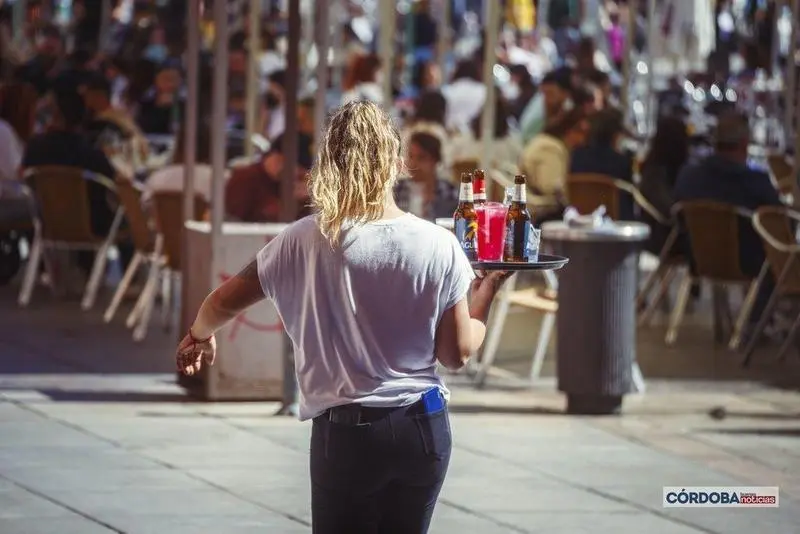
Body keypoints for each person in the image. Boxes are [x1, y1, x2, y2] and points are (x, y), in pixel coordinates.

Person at [177, 101, 509, 533]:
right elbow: (456, 353)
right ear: (395, 163)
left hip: (348, 433)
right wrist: (485, 297)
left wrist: (199, 335)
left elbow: (221, 303)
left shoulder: (302, 240)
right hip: (422, 427)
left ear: (329, 163)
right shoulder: (437, 243)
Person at [673, 111, 782, 331]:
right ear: (744, 143)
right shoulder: (756, 182)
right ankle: (756, 324)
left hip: (698, 257)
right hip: (747, 261)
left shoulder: (689, 177)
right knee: (779, 258)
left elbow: (677, 214)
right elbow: (780, 224)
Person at [225, 133, 314, 222]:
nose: (299, 174)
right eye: (299, 168)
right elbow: (231, 221)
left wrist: (306, 201)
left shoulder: (291, 183)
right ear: (279, 158)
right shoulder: (245, 179)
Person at [520, 108, 588, 214]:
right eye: (581, 133)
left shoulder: (544, 141)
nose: (582, 140)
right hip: (541, 211)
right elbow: (549, 187)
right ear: (569, 130)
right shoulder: (551, 149)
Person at [570, 107, 634, 218]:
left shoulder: (577, 156)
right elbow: (629, 197)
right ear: (616, 134)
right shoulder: (620, 161)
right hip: (615, 221)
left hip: (579, 219)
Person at [395, 132, 458, 220]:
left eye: (421, 157)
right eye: (411, 156)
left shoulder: (449, 193)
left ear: (435, 160)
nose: (413, 163)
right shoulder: (397, 190)